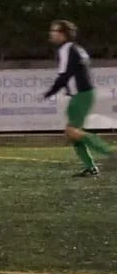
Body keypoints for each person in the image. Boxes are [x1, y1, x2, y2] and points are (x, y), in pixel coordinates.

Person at [45, 20, 110, 177]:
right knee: (72, 133)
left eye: (54, 31)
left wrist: (50, 92)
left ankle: (108, 152)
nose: (51, 34)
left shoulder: (66, 49)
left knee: (72, 131)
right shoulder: (76, 48)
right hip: (82, 94)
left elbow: (64, 76)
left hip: (81, 95)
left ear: (63, 34)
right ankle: (90, 167)